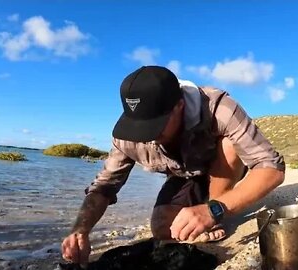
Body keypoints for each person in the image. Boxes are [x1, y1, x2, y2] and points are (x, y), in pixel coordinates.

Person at [61, 65, 285, 264]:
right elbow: (105, 186)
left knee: (228, 146)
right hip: (184, 175)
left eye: (154, 126)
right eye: (139, 127)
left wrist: (214, 209)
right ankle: (201, 206)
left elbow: (272, 168)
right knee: (163, 229)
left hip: (222, 163)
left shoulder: (219, 108)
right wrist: (81, 230)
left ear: (180, 105)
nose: (146, 137)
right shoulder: (126, 136)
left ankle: (216, 210)